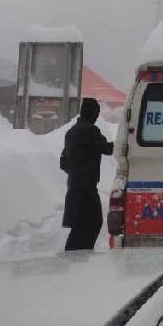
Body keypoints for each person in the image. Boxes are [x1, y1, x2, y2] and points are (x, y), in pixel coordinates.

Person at [61, 98, 114, 251]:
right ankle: (80, 255)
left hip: (73, 186)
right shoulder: (90, 131)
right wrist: (126, 142)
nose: (97, 116)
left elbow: (64, 162)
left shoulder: (71, 132)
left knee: (79, 226)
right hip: (86, 188)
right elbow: (107, 148)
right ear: (92, 113)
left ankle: (73, 256)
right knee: (93, 222)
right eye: (96, 112)